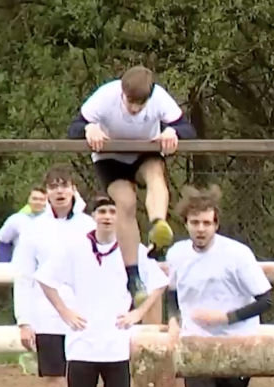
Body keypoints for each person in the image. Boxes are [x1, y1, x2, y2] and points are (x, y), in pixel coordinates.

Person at [164, 185, 273, 387]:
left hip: (237, 344)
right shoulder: (177, 254)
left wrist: (224, 316)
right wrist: (173, 320)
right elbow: (172, 292)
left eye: (207, 223)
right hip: (196, 344)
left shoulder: (237, 255)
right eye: (195, 223)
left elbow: (265, 300)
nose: (201, 229)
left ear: (216, 223)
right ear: (186, 223)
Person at [35, 194, 168, 387]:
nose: (107, 217)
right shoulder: (75, 248)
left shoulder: (132, 251)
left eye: (112, 212)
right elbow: (44, 278)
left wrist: (138, 313)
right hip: (82, 344)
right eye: (102, 212)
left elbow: (159, 283)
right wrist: (65, 312)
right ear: (94, 216)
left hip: (116, 344)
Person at [67, 65, 197, 307]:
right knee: (125, 203)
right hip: (110, 157)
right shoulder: (106, 96)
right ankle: (133, 276)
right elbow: (73, 128)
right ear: (122, 93)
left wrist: (172, 132)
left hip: (144, 152)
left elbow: (187, 128)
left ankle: (158, 225)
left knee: (156, 174)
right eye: (131, 103)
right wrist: (89, 128)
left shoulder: (159, 97)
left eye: (141, 104)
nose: (135, 109)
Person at [13, 166, 96, 387]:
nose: (60, 192)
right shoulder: (34, 230)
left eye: (65, 186)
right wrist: (24, 320)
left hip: (82, 318)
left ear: (74, 189)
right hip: (46, 317)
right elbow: (23, 275)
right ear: (45, 192)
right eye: (53, 187)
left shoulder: (89, 225)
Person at [0, 186, 48, 262]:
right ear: (28, 199)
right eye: (34, 199)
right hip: (21, 268)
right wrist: (5, 265)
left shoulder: (55, 221)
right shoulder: (16, 219)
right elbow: (4, 243)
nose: (38, 202)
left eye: (42, 200)